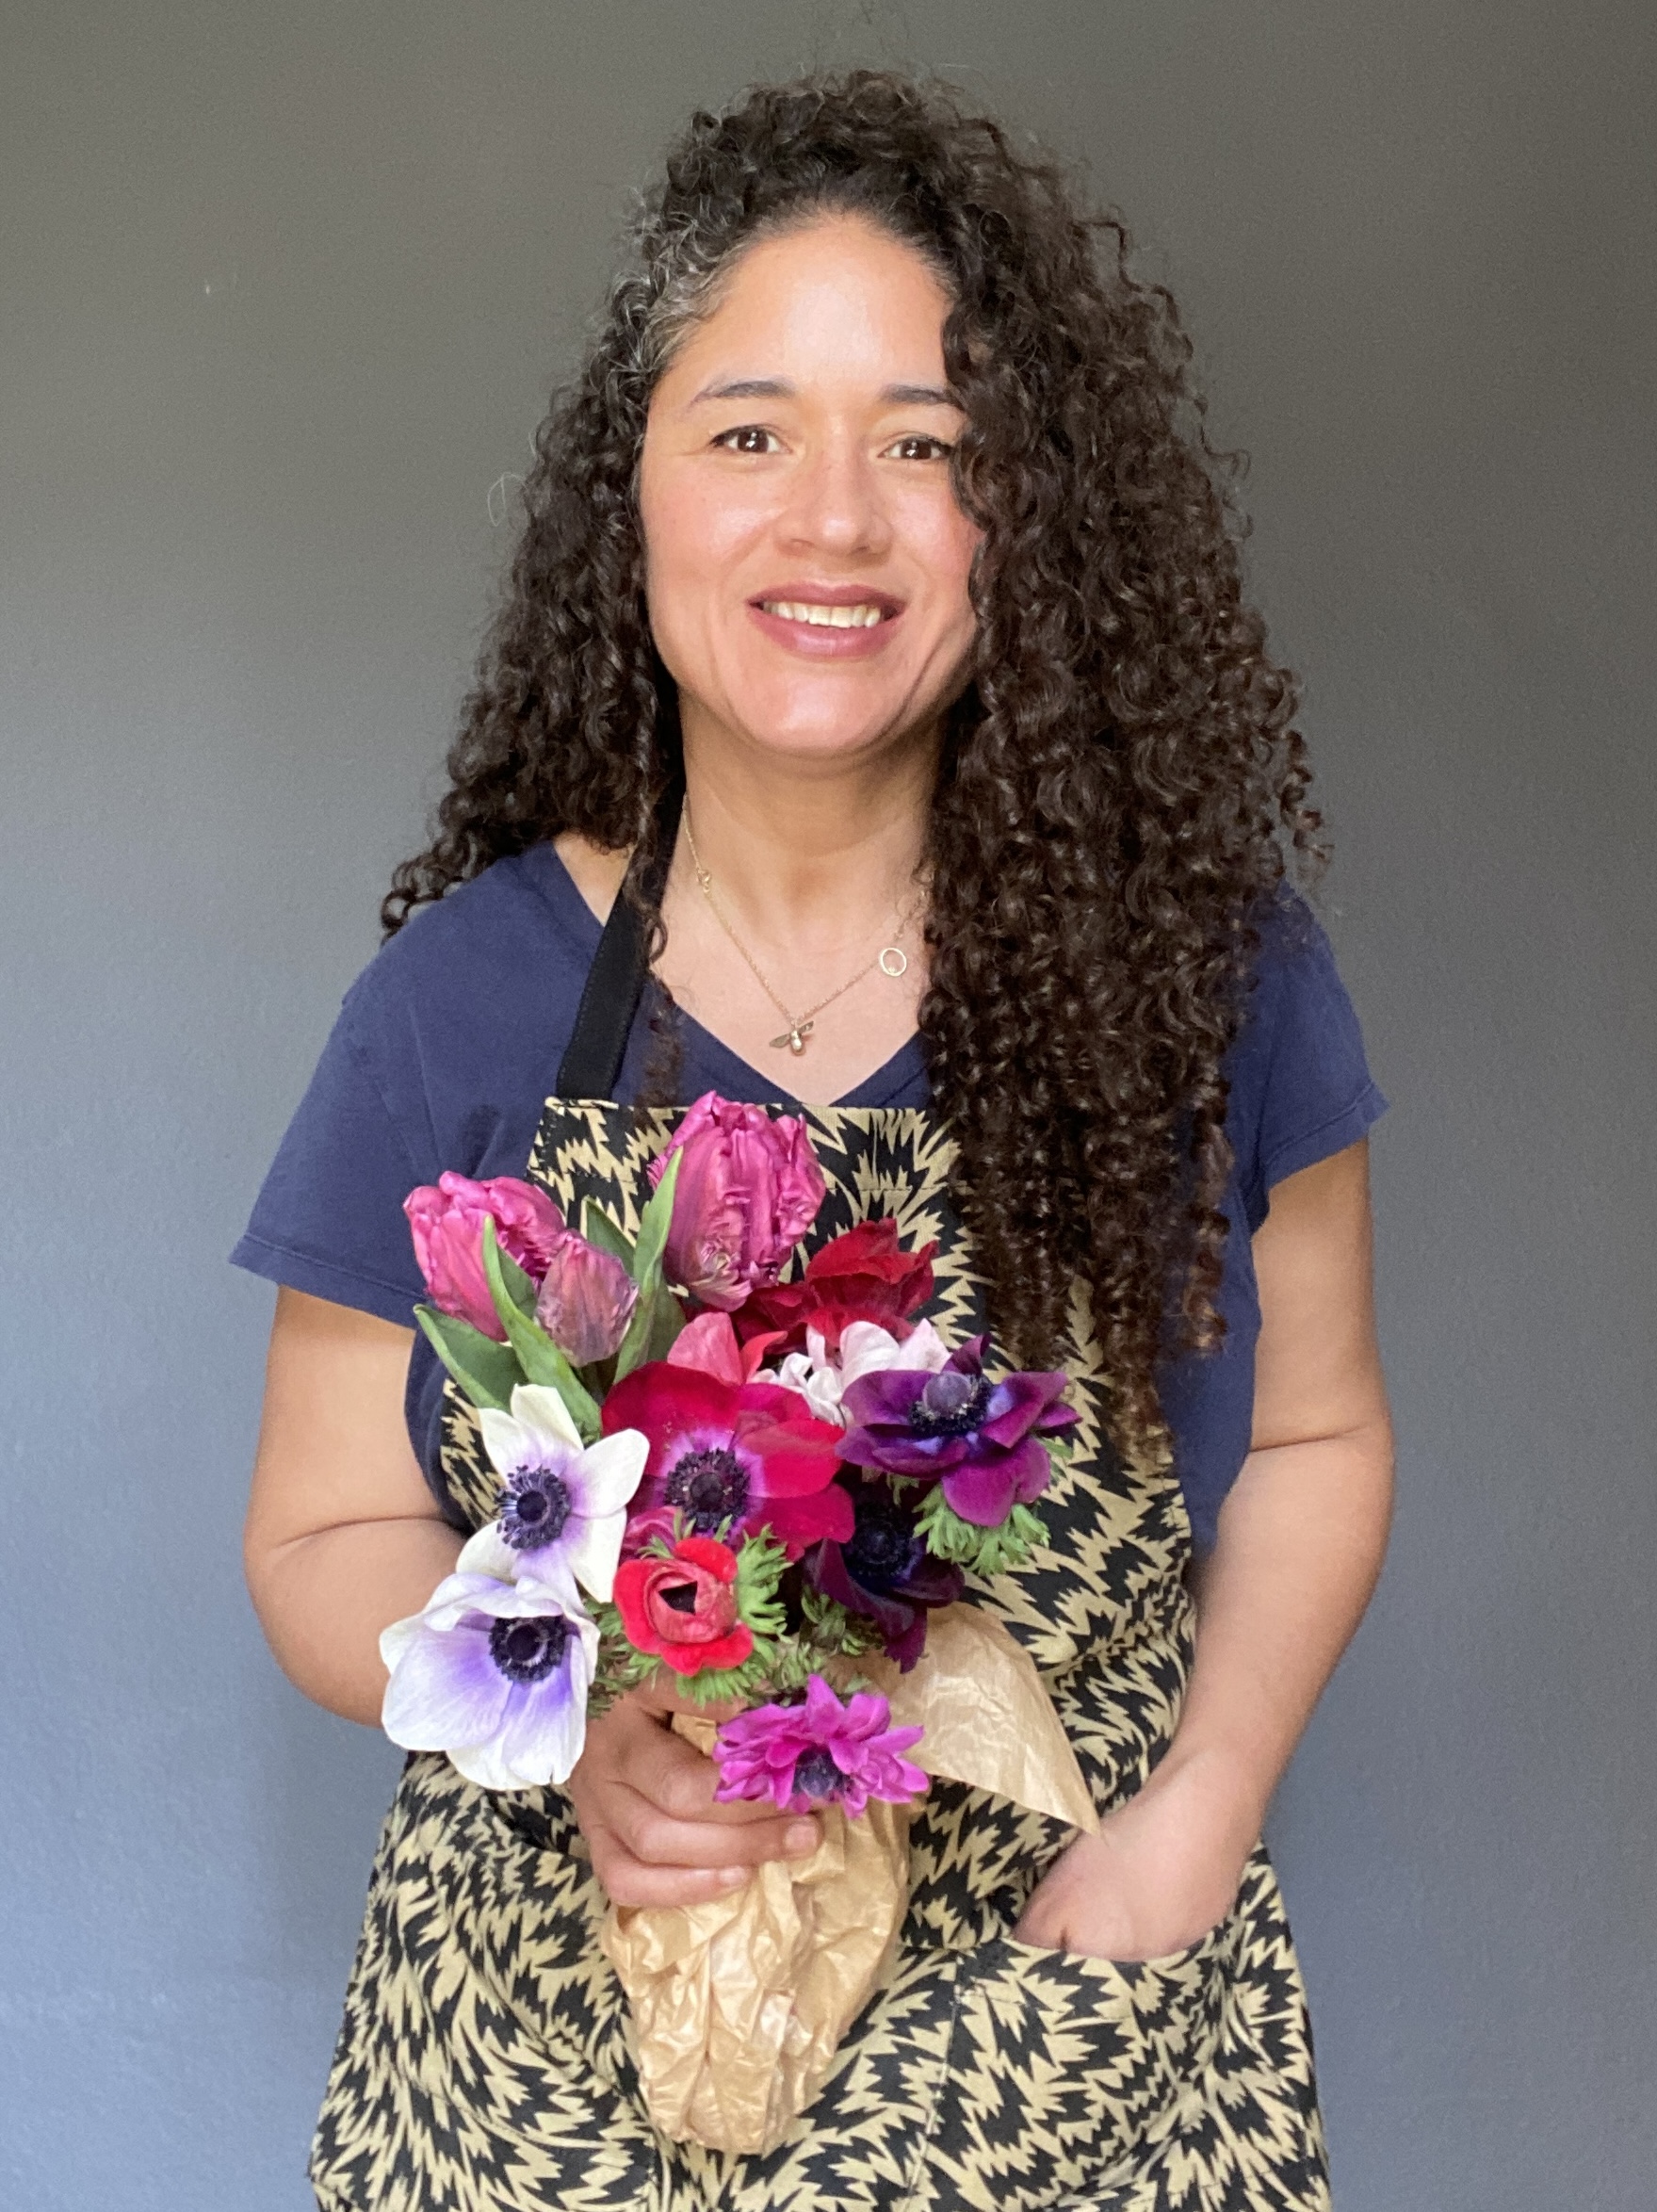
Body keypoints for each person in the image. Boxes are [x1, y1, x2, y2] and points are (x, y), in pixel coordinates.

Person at [236, 71, 1392, 2212]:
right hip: (552, 2032)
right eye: (749, 433)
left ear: (1025, 518)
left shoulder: (1206, 981)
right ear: (636, 495)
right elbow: (319, 1535)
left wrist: (1202, 1812)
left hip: (1061, 2018)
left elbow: (1316, 1439)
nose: (835, 521)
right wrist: (580, 1734)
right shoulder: (461, 1005)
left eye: (928, 447)